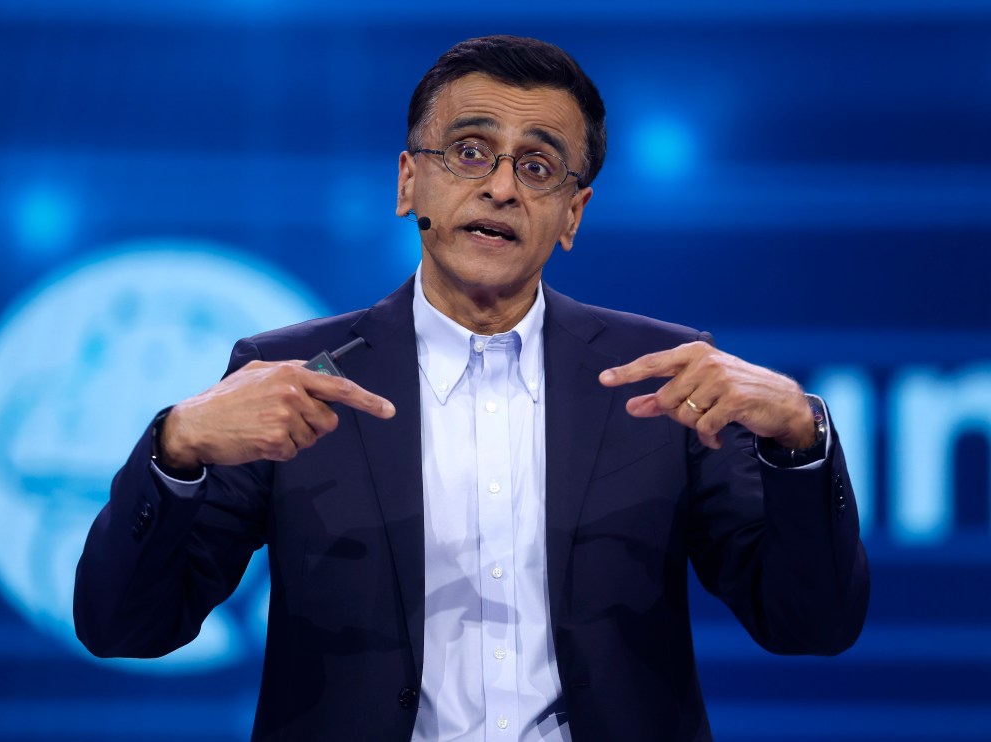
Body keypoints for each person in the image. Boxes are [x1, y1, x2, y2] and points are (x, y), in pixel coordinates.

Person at [74, 35, 869, 742]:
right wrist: (173, 449)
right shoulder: (296, 376)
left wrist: (799, 440)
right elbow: (125, 628)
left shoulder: (664, 376)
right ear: (408, 182)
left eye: (537, 166)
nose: (500, 189)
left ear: (572, 213)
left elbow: (812, 626)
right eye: (469, 152)